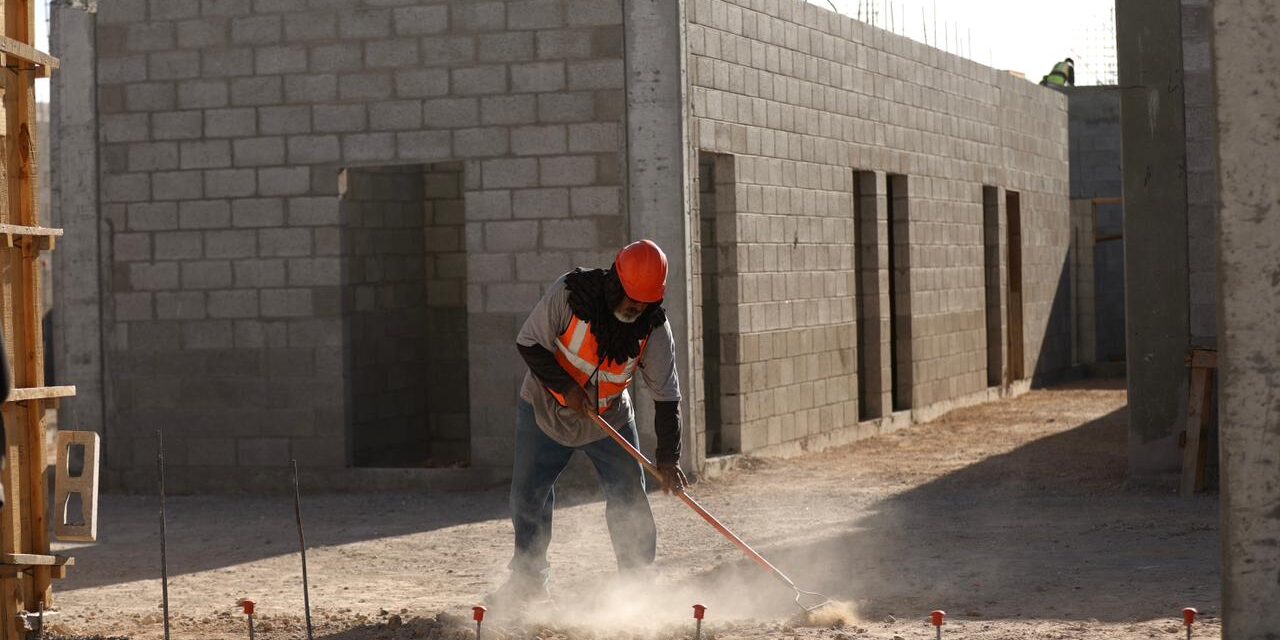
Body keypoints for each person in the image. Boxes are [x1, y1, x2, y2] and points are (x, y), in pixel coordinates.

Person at [488, 239, 688, 608]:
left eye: (644, 302)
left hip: (608, 416)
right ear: (615, 282)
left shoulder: (654, 330)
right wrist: (566, 389)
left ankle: (637, 587)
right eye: (631, 298)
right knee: (528, 497)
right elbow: (529, 343)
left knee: (629, 497)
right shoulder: (569, 294)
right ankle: (529, 583)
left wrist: (668, 458)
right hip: (544, 408)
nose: (635, 308)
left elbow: (667, 396)